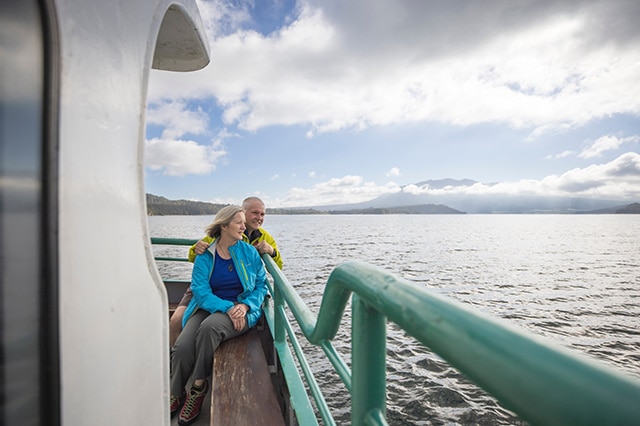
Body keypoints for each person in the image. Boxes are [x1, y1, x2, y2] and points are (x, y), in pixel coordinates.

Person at [170, 205, 269, 425]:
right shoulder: (205, 254)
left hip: (242, 309)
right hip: (212, 306)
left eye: (244, 222)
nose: (244, 226)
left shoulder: (249, 252)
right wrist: (226, 307)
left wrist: (245, 306)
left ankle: (197, 387)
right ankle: (177, 394)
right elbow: (200, 291)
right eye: (239, 222)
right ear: (224, 226)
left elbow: (262, 285)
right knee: (182, 348)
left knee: (209, 328)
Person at [169, 196, 282, 345]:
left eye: (262, 214)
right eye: (255, 213)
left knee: (209, 328)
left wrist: (272, 252)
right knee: (176, 320)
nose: (259, 218)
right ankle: (172, 358)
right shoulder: (223, 233)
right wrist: (196, 249)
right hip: (208, 287)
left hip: (238, 290)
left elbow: (277, 268)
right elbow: (194, 258)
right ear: (243, 212)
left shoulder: (264, 237)